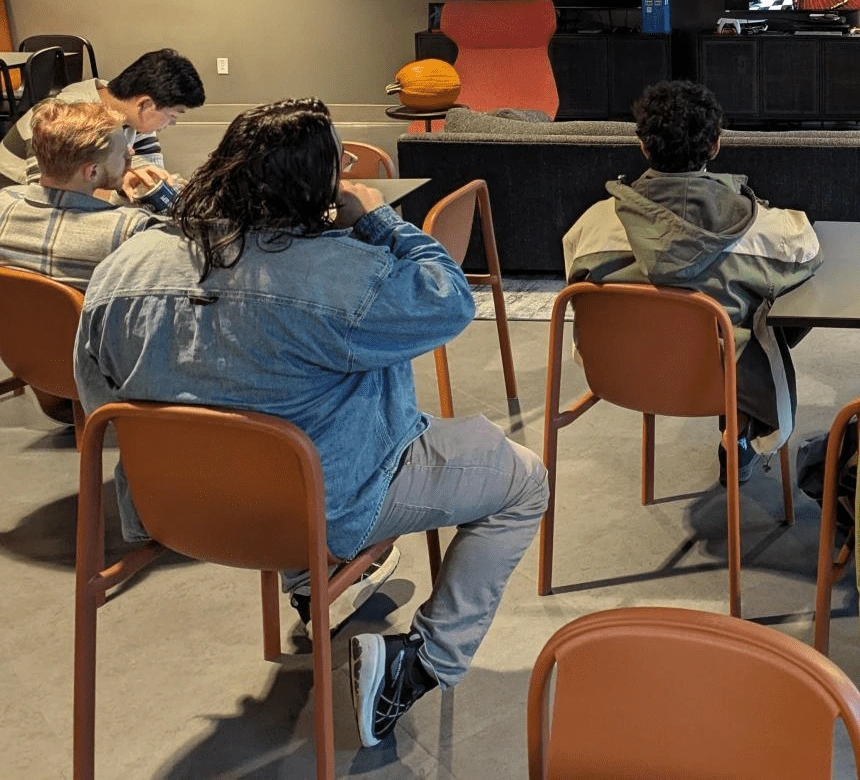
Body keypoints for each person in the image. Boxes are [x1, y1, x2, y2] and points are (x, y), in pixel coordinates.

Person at [73, 99, 549, 748]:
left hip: (175, 511)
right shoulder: (346, 277)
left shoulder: (123, 266)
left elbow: (95, 396)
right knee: (524, 482)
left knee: (286, 428)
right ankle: (419, 666)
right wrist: (379, 218)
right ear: (322, 182)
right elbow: (450, 300)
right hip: (317, 505)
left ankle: (312, 586)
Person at [562, 79, 820, 475]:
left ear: (644, 146)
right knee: (776, 303)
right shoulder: (759, 232)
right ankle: (743, 423)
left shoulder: (591, 226)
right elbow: (808, 252)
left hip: (619, 372)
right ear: (715, 144)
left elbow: (575, 288)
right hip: (719, 379)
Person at [0, 101, 165, 426]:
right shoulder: (129, 230)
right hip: (102, 381)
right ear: (91, 172)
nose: (131, 156)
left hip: (28, 362)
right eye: (123, 153)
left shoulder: (3, 207)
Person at [0, 47, 206, 187]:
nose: (172, 123)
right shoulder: (64, 117)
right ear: (145, 104)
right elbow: (50, 195)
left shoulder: (131, 113)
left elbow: (148, 169)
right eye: (171, 116)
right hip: (13, 200)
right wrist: (121, 186)